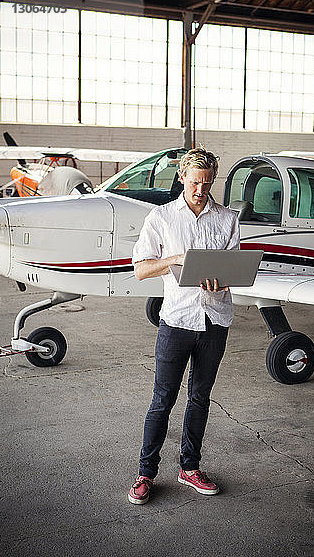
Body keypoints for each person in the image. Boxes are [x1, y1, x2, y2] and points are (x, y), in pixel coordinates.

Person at [128, 147, 240, 505]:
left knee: (200, 398)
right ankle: (145, 473)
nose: (200, 191)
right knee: (162, 400)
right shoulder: (161, 218)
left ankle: (189, 468)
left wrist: (224, 281)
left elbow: (236, 268)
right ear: (182, 178)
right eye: (194, 183)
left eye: (207, 184)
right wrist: (173, 259)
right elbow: (141, 269)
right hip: (176, 321)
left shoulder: (227, 219)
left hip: (214, 320)